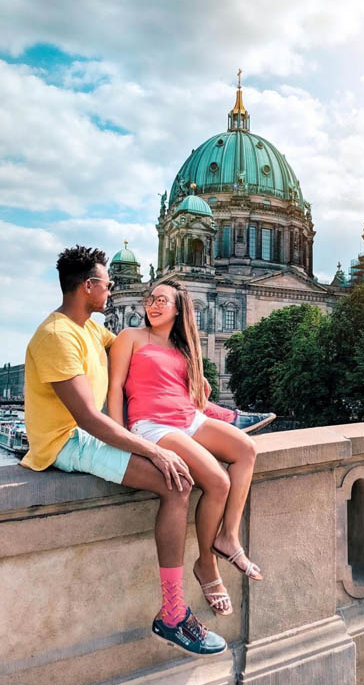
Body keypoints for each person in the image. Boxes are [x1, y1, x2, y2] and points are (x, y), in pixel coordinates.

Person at [22, 246, 226, 657]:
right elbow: (88, 420)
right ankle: (172, 613)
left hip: (88, 432)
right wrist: (154, 449)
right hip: (65, 442)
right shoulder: (57, 337)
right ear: (88, 287)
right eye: (107, 282)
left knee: (177, 472)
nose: (112, 288)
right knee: (176, 483)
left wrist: (192, 379)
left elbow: (148, 356)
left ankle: (226, 416)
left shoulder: (89, 328)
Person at [107, 281, 263, 617]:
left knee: (246, 449)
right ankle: (206, 564)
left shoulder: (185, 347)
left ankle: (229, 537)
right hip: (152, 425)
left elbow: (194, 397)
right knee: (218, 481)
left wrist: (201, 390)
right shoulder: (130, 338)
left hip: (188, 419)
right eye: (150, 299)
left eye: (162, 300)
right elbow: (116, 387)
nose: (153, 304)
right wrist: (122, 439)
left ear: (179, 308)